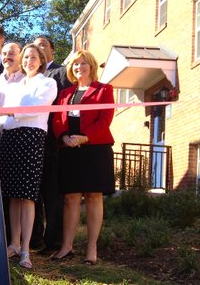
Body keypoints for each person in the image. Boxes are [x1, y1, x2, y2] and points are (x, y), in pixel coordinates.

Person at [50, 50, 115, 265]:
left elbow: (105, 119)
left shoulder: (104, 90)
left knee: (94, 196)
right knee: (71, 198)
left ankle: (91, 247)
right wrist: (65, 136)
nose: (79, 67)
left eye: (83, 63)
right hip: (70, 149)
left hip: (95, 148)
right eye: (76, 64)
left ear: (92, 66)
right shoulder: (64, 94)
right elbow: (58, 120)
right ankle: (66, 247)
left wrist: (85, 137)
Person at [0, 44, 57, 268]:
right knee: (12, 194)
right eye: (26, 57)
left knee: (27, 196)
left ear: (41, 60)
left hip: (31, 138)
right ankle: (13, 243)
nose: (29, 60)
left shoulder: (48, 83)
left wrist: (10, 112)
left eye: (33, 57)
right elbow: (6, 115)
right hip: (10, 137)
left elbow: (36, 108)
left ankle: (25, 249)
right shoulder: (14, 85)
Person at [30, 35, 73, 252]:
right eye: (36, 46)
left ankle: (53, 241)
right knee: (33, 194)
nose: (39, 48)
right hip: (31, 141)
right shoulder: (28, 76)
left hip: (52, 143)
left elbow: (66, 104)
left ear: (52, 51)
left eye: (43, 45)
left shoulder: (61, 72)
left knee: (52, 194)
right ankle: (34, 238)